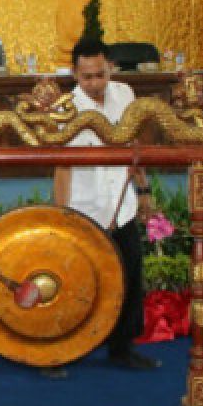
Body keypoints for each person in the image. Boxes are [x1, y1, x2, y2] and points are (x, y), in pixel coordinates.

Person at [48, 38, 161, 378]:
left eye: (100, 74)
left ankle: (122, 348)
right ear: (74, 74)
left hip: (121, 204)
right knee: (73, 283)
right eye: (86, 77)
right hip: (84, 209)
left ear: (111, 67)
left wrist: (144, 192)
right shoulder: (64, 108)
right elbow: (62, 167)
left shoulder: (125, 94)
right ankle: (58, 353)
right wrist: (61, 217)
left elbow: (135, 148)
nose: (94, 83)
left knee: (129, 276)